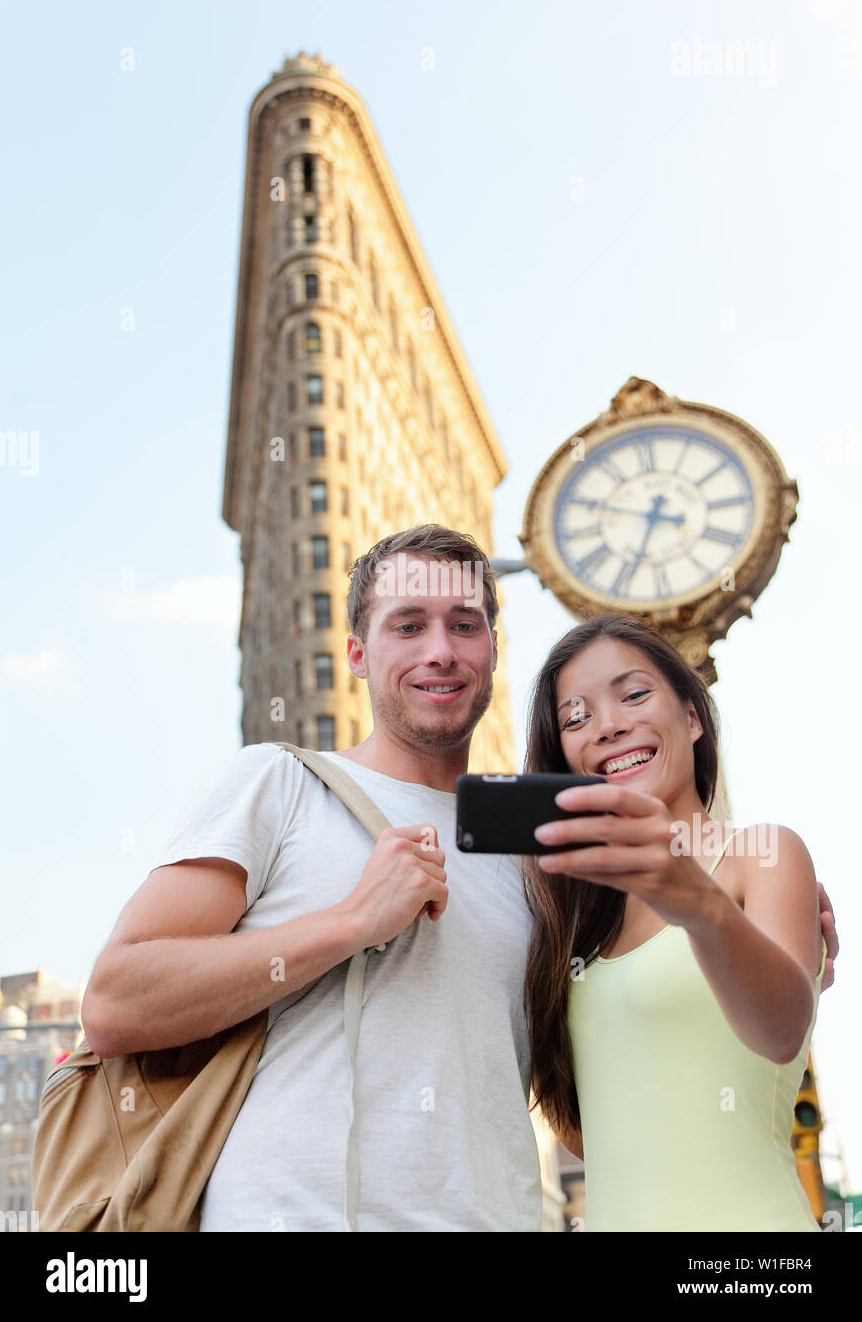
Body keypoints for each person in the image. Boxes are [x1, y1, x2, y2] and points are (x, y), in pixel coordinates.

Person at [80, 525, 839, 1232]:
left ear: (492, 651)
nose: (439, 650)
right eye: (407, 625)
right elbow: (116, 1001)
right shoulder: (279, 785)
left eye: (464, 625)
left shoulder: (546, 867)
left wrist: (770, 949)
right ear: (356, 653)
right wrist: (349, 923)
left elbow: (588, 1099)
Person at [522, 612, 831, 1231]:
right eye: (576, 719)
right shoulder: (569, 921)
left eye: (634, 695)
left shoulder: (761, 854)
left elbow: (781, 1030)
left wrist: (699, 905)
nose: (608, 726)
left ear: (692, 717)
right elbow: (588, 1130)